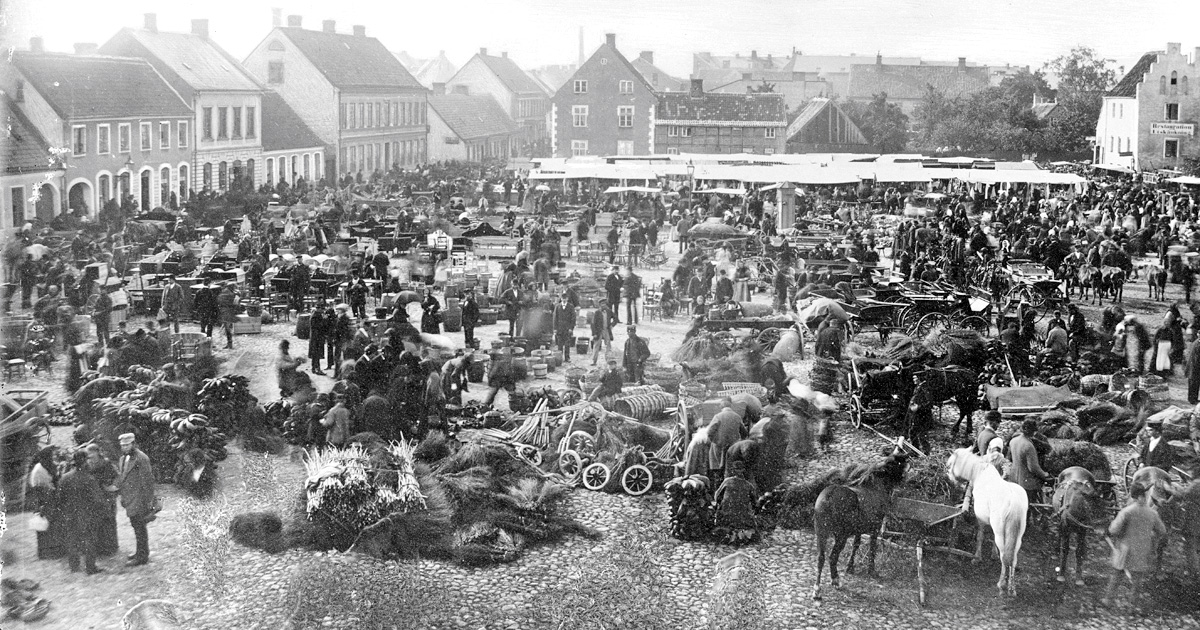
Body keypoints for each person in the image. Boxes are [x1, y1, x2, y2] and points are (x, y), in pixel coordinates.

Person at [1102, 483, 1167, 609]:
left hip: (1125, 549)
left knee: (1117, 575)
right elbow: (1162, 531)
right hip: (1143, 549)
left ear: (1133, 496)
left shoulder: (1127, 511)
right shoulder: (1152, 513)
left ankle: (1108, 600)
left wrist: (1110, 531)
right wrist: (1149, 535)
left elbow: (1114, 529)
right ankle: (1132, 606)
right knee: (1137, 579)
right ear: (1143, 495)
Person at [60, 450, 105, 575]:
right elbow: (98, 500)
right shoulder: (89, 479)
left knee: (72, 540)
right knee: (90, 540)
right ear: (85, 462)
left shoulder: (65, 478)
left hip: (70, 515)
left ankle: (74, 566)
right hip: (87, 515)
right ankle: (90, 567)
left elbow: (60, 498)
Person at [117, 433, 157, 566]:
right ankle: (139, 552)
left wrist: (148, 502)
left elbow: (148, 481)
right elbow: (123, 478)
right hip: (129, 498)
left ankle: (142, 556)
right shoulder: (123, 459)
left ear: (133, 444)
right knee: (136, 526)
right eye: (122, 445)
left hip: (139, 499)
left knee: (140, 527)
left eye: (127, 445)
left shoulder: (141, 458)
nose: (125, 447)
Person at [25, 446, 65, 560]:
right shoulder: (39, 470)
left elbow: (55, 479)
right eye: (51, 456)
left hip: (51, 499)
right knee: (45, 526)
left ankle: (56, 551)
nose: (53, 458)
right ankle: (46, 553)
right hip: (43, 500)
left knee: (54, 526)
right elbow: (40, 488)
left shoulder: (48, 465)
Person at [85, 443, 120, 558]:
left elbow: (117, 477)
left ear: (98, 453)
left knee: (109, 521)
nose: (90, 458)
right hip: (93, 497)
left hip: (106, 496)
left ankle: (110, 547)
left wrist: (112, 487)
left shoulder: (106, 463)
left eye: (92, 455)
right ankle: (99, 548)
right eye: (88, 456)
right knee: (97, 522)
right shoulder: (87, 465)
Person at [1007, 419, 1052, 508]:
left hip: (1014, 479)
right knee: (1029, 508)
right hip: (1027, 483)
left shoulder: (1013, 441)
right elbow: (1033, 468)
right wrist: (1045, 475)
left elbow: (1010, 458)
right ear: (1033, 431)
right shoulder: (1028, 445)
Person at [552, 293, 576, 362]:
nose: (564, 300)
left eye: (565, 298)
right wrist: (555, 329)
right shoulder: (557, 306)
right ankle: (559, 358)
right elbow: (555, 318)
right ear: (561, 299)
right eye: (563, 298)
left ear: (567, 299)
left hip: (567, 329)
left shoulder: (571, 307)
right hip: (559, 329)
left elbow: (573, 318)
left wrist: (571, 328)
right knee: (559, 344)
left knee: (567, 344)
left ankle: (567, 357)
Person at [591, 297, 614, 366]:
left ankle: (608, 361)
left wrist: (612, 325)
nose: (603, 305)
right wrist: (594, 333)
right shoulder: (597, 312)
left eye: (604, 304)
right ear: (599, 305)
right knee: (596, 346)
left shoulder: (609, 311)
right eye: (602, 304)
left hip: (606, 330)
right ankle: (594, 361)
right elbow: (593, 324)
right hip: (599, 331)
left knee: (608, 346)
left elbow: (616, 318)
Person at [217, 283, 238, 349]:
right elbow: (234, 303)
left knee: (227, 328)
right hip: (228, 312)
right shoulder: (230, 293)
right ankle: (229, 343)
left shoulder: (226, 292)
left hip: (225, 312)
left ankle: (229, 343)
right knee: (227, 328)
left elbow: (219, 300)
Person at [308, 305, 327, 375]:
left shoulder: (315, 315)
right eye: (322, 309)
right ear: (318, 309)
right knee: (317, 354)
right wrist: (324, 320)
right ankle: (317, 369)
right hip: (317, 338)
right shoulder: (316, 316)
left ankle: (313, 368)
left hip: (314, 337)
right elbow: (317, 326)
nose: (323, 311)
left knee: (314, 354)